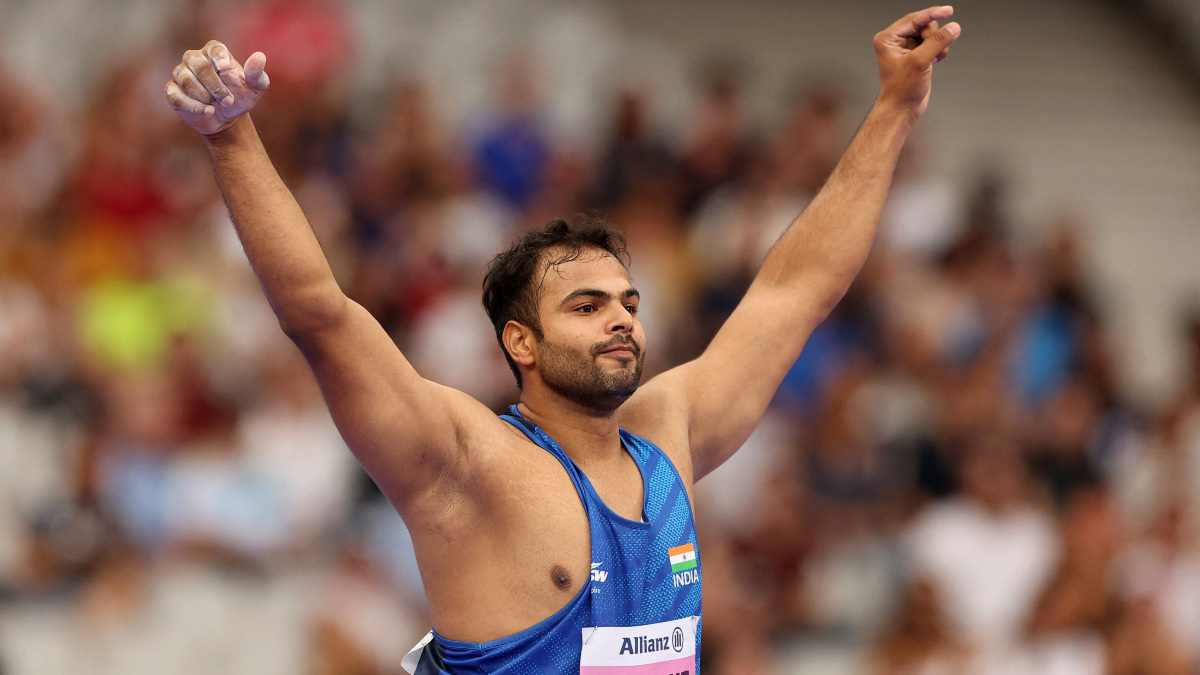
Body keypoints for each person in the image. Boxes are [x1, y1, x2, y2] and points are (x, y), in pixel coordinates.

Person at [163, 7, 961, 673]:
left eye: (628, 300)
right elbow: (319, 314)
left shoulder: (668, 436)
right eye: (585, 305)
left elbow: (795, 292)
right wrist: (231, 136)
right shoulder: (468, 465)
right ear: (523, 342)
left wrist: (894, 107)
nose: (621, 318)